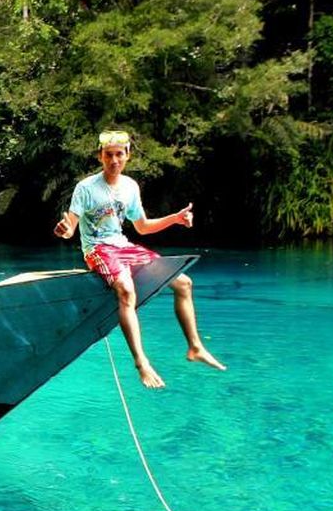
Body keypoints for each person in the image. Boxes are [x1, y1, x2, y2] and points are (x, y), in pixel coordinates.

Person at [53, 130, 225, 388]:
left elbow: (143, 227)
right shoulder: (86, 188)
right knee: (126, 289)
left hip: (123, 245)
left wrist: (175, 218)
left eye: (119, 155)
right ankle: (141, 362)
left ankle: (195, 347)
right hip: (98, 249)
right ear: (100, 156)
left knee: (183, 283)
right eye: (108, 155)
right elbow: (71, 227)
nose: (114, 160)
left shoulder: (130, 187)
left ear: (127, 156)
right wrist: (65, 231)